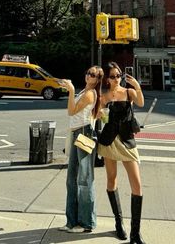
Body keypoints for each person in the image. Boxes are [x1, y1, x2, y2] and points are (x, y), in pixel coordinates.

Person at [98, 62, 146, 244]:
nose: (117, 79)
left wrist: (138, 87)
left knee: (137, 186)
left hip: (127, 141)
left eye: (118, 75)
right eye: (112, 76)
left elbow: (140, 102)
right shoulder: (105, 96)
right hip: (109, 141)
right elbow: (97, 116)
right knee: (112, 180)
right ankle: (118, 223)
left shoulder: (129, 92)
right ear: (107, 79)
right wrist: (100, 111)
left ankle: (135, 233)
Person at [59, 65, 104, 233]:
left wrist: (70, 91)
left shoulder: (90, 93)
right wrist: (71, 91)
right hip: (77, 132)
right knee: (71, 179)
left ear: (97, 80)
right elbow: (80, 113)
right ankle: (71, 221)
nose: (88, 76)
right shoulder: (84, 92)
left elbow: (71, 111)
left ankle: (86, 223)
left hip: (84, 133)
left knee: (84, 179)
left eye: (92, 75)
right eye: (88, 73)